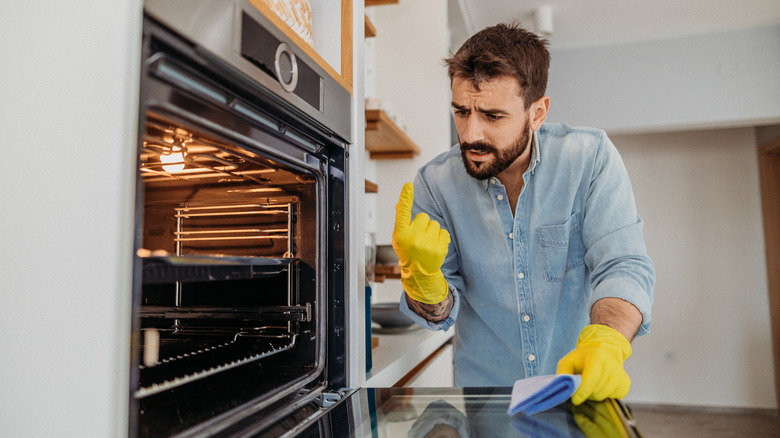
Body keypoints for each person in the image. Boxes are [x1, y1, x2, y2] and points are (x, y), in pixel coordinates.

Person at [392, 22, 655, 405]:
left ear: (538, 112)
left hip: (578, 389)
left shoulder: (589, 157)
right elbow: (441, 311)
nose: (470, 134)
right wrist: (424, 285)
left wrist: (607, 340)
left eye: (493, 116)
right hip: (487, 401)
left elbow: (623, 263)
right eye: (461, 112)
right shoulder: (435, 184)